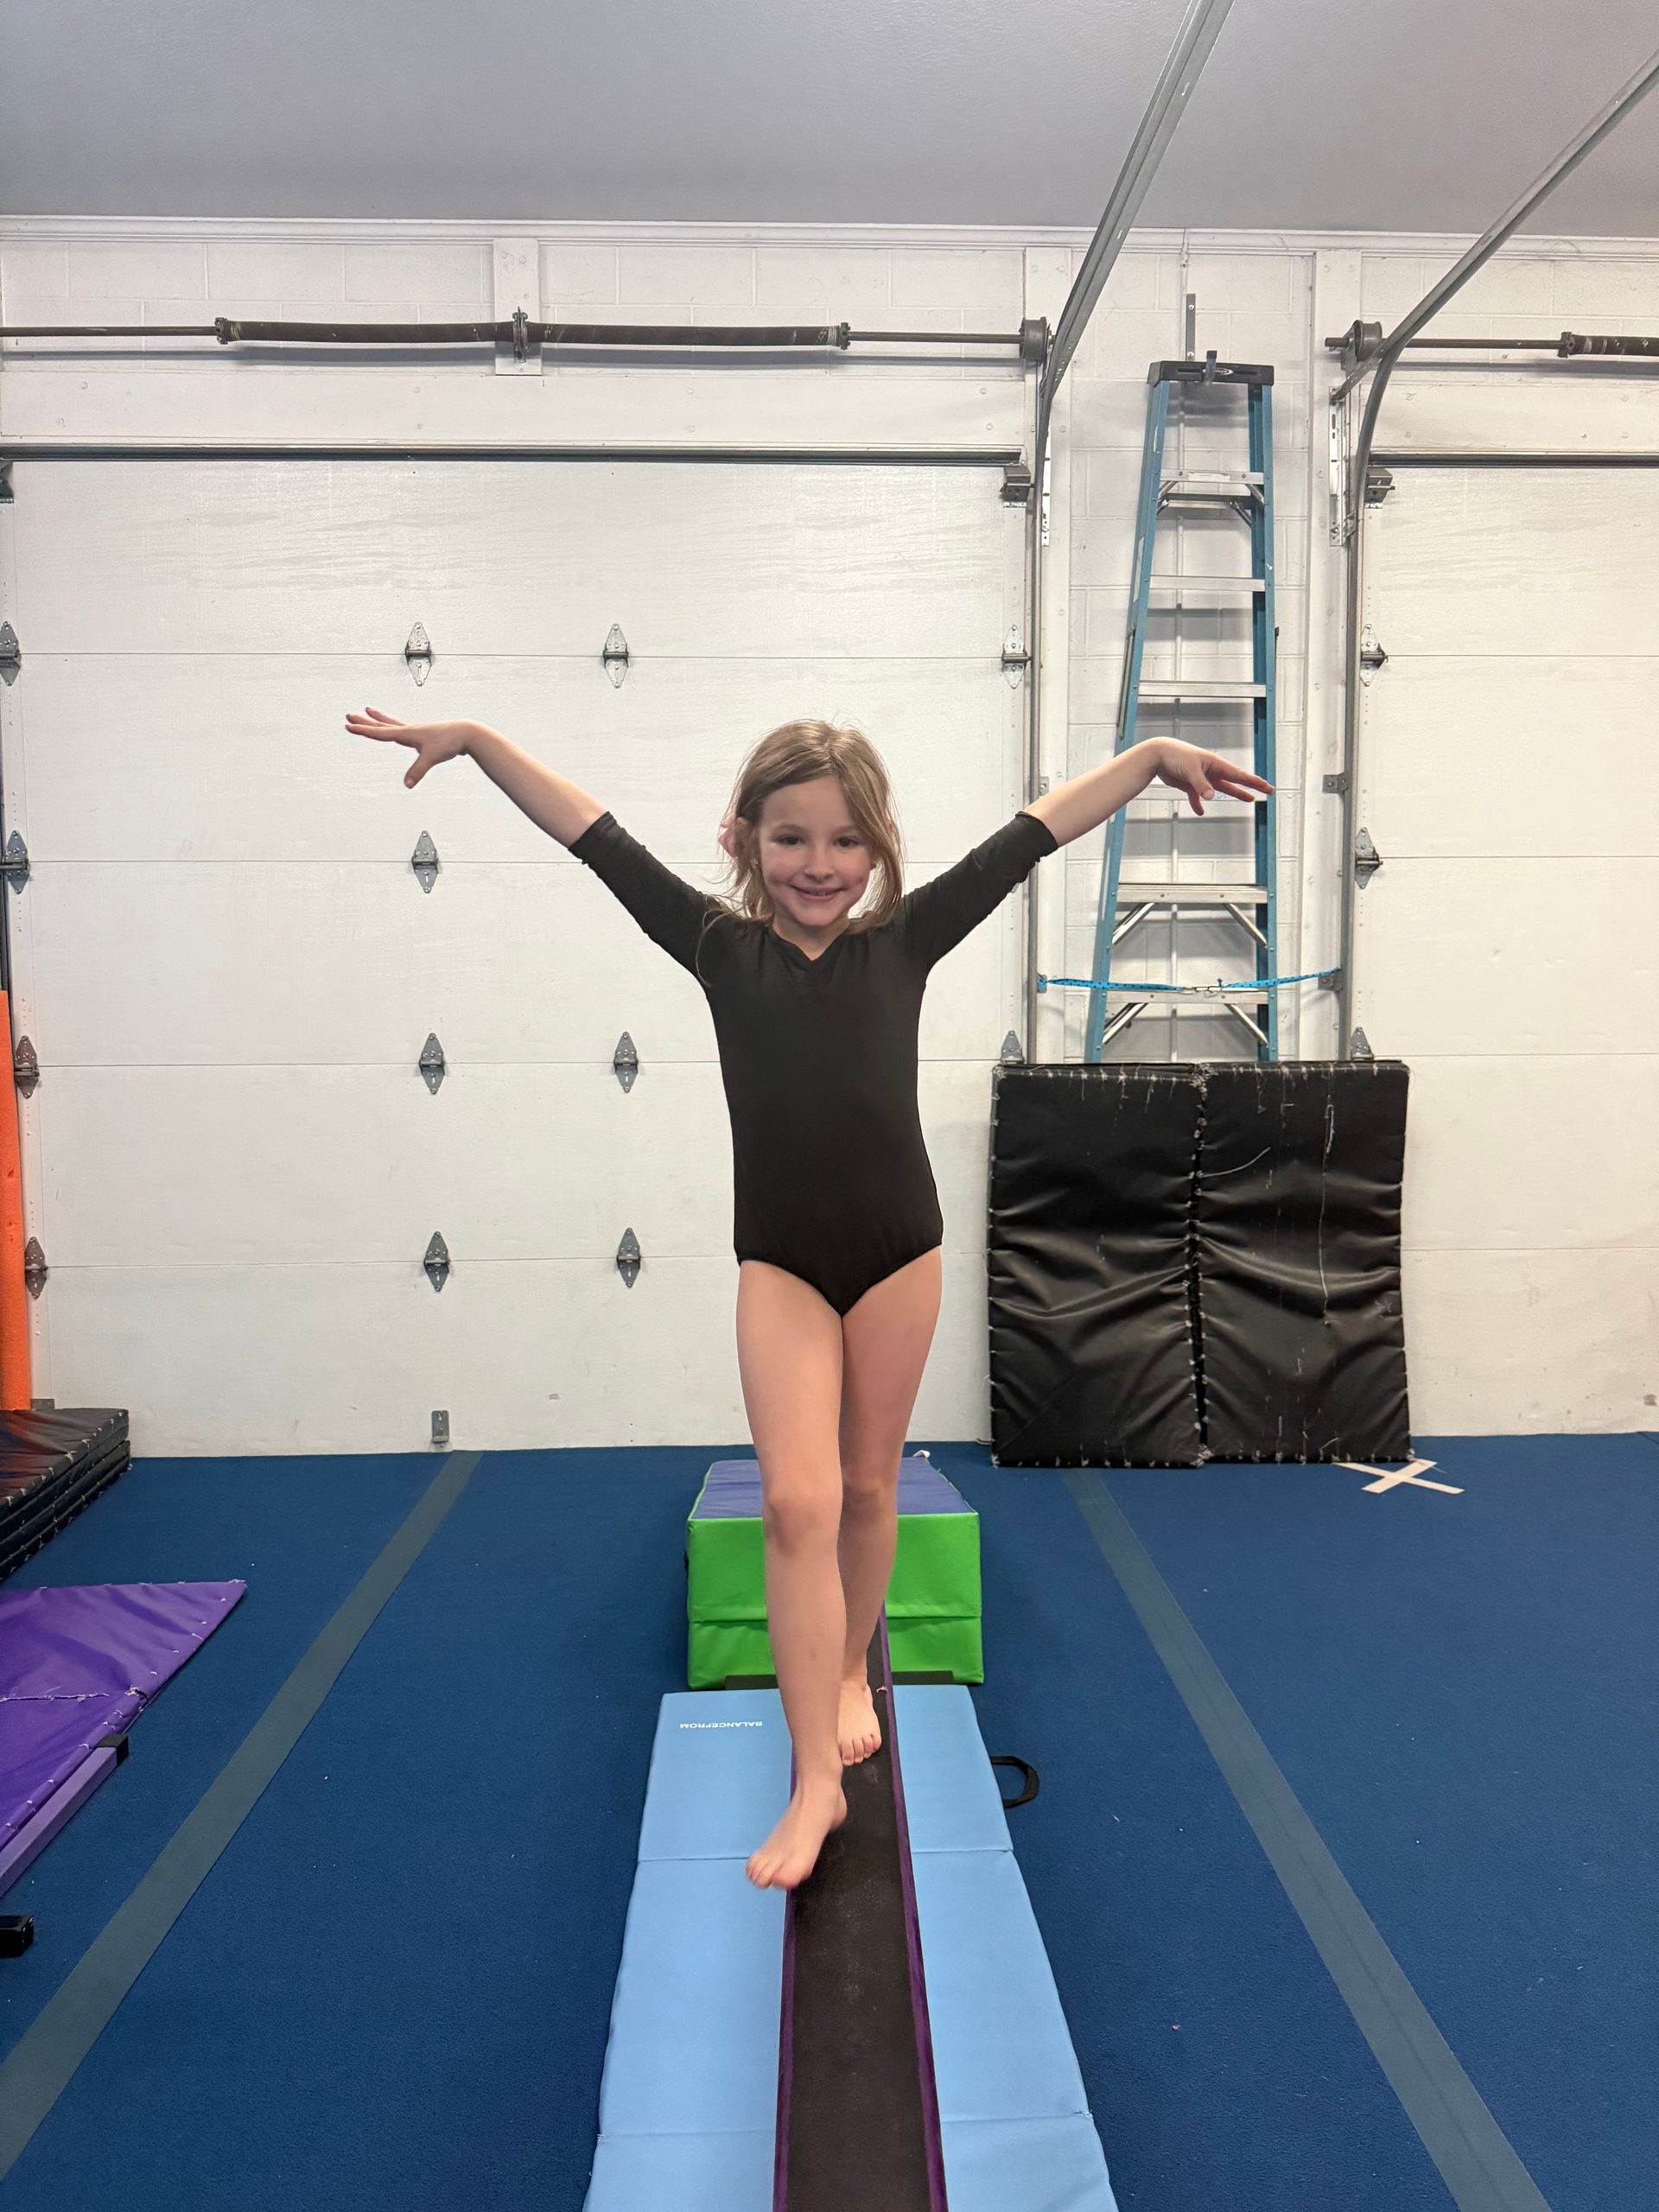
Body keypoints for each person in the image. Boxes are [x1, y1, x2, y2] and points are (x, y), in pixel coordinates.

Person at [347, 707, 1270, 1888]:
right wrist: (477, 741)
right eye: (791, 839)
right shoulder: (718, 949)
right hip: (780, 1261)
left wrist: (1146, 761)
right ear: (743, 839)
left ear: (877, 848)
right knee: (795, 1500)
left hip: (900, 1254)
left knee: (870, 1482)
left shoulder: (908, 940)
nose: (818, 866)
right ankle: (815, 1782)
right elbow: (592, 834)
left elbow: (1033, 834)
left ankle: (846, 1673)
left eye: (843, 842)